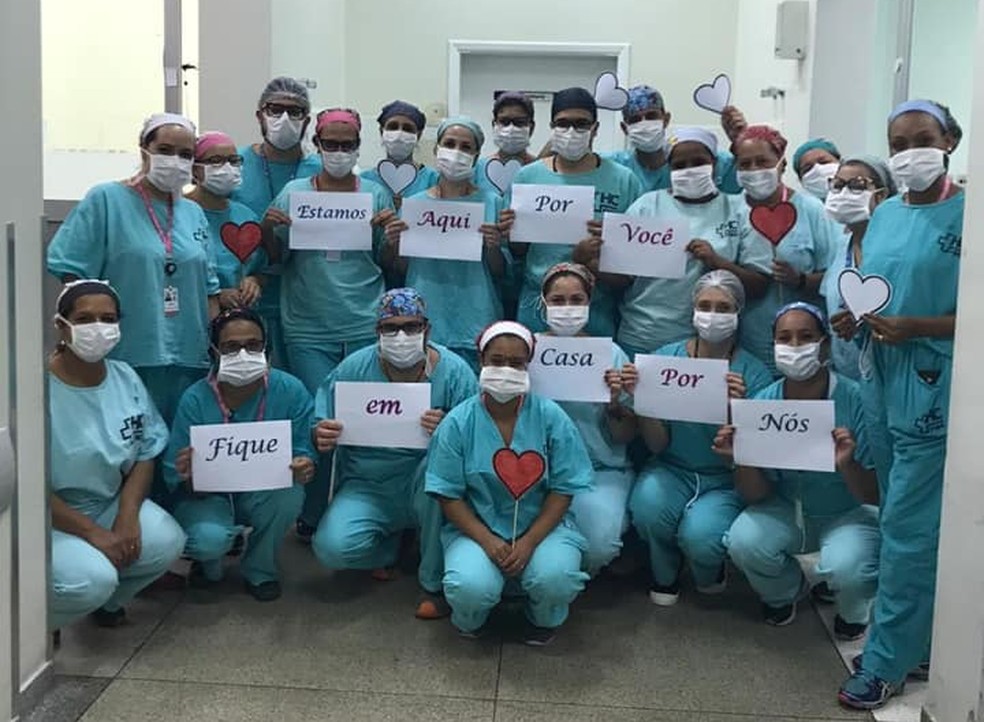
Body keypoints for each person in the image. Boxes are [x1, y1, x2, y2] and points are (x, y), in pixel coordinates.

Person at [836, 99, 963, 710]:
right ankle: (914, 641)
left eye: (923, 138)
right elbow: (878, 292)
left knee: (910, 532)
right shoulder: (882, 216)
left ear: (951, 140)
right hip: (878, 382)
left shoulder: (970, 215)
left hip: (933, 386)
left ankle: (886, 662)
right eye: (898, 141)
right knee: (896, 521)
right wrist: (852, 318)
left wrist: (917, 326)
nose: (910, 150)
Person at [263, 107, 397, 537]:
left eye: (348, 145)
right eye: (331, 144)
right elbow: (277, 260)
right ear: (316, 145)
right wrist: (270, 230)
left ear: (359, 147)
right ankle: (313, 512)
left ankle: (367, 509)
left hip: (362, 323)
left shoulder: (375, 195)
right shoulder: (294, 193)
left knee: (365, 422)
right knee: (318, 424)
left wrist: (393, 236)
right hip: (307, 326)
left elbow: (389, 265)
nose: (339, 152)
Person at [715, 303, 879, 638]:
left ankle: (854, 612)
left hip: (849, 511)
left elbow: (873, 494)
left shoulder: (857, 400)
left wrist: (846, 464)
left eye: (806, 337)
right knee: (744, 541)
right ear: (772, 345)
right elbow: (755, 495)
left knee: (849, 567)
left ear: (826, 344)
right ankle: (784, 592)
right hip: (786, 505)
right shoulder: (762, 405)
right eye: (784, 338)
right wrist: (742, 455)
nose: (794, 347)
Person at [311, 289, 477, 619]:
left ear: (427, 329)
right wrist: (321, 432)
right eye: (391, 328)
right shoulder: (354, 368)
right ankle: (390, 547)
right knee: (331, 549)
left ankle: (432, 583)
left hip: (426, 481)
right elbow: (320, 416)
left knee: (438, 476)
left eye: (412, 326)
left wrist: (448, 430)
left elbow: (477, 436)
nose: (401, 336)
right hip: (368, 483)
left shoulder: (456, 372)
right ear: (377, 331)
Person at [47, 112, 220, 426]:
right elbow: (73, 275)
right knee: (132, 448)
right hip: (127, 352)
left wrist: (214, 348)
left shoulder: (193, 213)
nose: (175, 160)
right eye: (165, 150)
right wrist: (89, 335)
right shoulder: (107, 200)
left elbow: (209, 289)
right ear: (144, 150)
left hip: (189, 357)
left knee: (180, 457)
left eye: (185, 154)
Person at [426, 321, 593, 644]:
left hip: (543, 527)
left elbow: (565, 486)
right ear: (481, 362)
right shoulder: (458, 423)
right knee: (469, 587)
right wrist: (488, 541)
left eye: (516, 363)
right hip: (476, 529)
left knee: (556, 577)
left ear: (528, 366)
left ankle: (542, 619)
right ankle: (471, 618)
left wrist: (529, 541)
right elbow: (448, 495)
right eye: (496, 361)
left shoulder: (550, 417)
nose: (506, 369)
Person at [629, 270, 772, 605]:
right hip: (671, 467)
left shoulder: (754, 373)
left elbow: (758, 454)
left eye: (723, 308)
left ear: (738, 313)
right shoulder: (667, 361)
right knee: (647, 509)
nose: (713, 315)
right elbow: (657, 445)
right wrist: (644, 402)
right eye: (705, 305)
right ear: (692, 309)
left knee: (701, 535)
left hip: (725, 478)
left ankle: (709, 569)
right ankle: (664, 571)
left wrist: (739, 409)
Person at [49, 281, 186, 629]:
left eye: (107, 318)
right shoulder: (34, 391)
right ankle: (34, 633)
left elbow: (146, 450)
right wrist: (93, 533)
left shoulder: (124, 377)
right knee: (91, 580)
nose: (97, 328)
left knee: (166, 542)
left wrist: (126, 516)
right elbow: (25, 486)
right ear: (60, 326)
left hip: (106, 501)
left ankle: (107, 604)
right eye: (84, 318)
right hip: (49, 515)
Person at [164, 308, 316, 601]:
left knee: (290, 495)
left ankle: (261, 569)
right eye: (231, 347)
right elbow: (175, 474)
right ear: (213, 351)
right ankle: (207, 565)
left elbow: (303, 451)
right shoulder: (195, 399)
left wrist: (303, 464)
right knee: (208, 540)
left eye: (253, 345)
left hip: (263, 493)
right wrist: (187, 476)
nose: (244, 354)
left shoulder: (290, 390)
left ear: (266, 348)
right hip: (208, 497)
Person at [614, 128, 773, 359]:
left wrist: (716, 262)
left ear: (715, 163)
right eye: (680, 165)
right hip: (644, 335)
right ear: (669, 168)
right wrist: (595, 255)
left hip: (711, 343)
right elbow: (620, 279)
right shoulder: (647, 207)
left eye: (698, 162)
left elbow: (760, 285)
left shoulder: (739, 210)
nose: (689, 170)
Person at [502, 87, 643, 338]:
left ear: (595, 128)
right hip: (537, 303)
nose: (571, 132)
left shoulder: (623, 181)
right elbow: (517, 252)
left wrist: (598, 255)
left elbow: (631, 265)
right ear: (552, 127)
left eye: (581, 124)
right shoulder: (529, 177)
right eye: (563, 124)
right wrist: (512, 231)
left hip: (596, 305)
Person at [384, 116, 509, 370]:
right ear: (436, 148)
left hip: (476, 314)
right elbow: (400, 268)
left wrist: (493, 246)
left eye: (466, 147)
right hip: (429, 316)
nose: (456, 152)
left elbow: (500, 272)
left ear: (476, 155)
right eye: (450, 143)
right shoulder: (415, 204)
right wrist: (395, 243)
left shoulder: (492, 202)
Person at [539, 263, 637, 575]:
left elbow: (624, 436)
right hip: (536, 471)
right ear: (542, 303)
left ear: (589, 302)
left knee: (598, 545)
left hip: (600, 471)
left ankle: (567, 576)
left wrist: (614, 405)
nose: (567, 308)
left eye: (576, 299)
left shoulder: (611, 356)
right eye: (557, 300)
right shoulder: (527, 351)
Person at [733, 124, 840, 375]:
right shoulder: (730, 210)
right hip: (749, 340)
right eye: (745, 164)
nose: (754, 170)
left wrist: (801, 280)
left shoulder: (812, 209)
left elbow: (835, 275)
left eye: (762, 162)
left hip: (804, 342)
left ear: (781, 164)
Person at [233, 77, 322, 370]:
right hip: (245, 303)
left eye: (295, 111)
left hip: (307, 307)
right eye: (275, 109)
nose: (284, 118)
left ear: (307, 120)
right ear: (259, 115)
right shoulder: (234, 167)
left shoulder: (322, 173)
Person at [820, 156, 897, 380]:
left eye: (857, 186)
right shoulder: (841, 245)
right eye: (838, 184)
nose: (843, 193)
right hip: (844, 371)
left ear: (881, 195)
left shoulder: (895, 249)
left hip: (888, 369)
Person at [602, 85, 744, 193]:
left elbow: (748, 179)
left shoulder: (705, 161)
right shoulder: (613, 166)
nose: (644, 124)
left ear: (666, 119)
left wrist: (741, 141)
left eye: (652, 116)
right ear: (624, 128)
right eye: (635, 119)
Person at [187, 131, 267, 311]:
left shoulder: (246, 216)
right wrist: (214, 294)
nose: (227, 168)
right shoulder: (181, 214)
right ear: (194, 168)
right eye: (215, 161)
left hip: (239, 324)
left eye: (233, 160)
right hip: (193, 314)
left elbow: (261, 268)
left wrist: (253, 281)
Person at [360, 100, 439, 208]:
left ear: (418, 135)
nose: (399, 134)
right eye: (393, 127)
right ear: (381, 132)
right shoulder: (365, 180)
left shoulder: (433, 180)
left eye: (407, 129)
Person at [474, 92, 538, 197]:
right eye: (504, 121)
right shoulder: (477, 170)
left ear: (532, 127)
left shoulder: (541, 170)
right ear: (494, 125)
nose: (511, 128)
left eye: (519, 122)